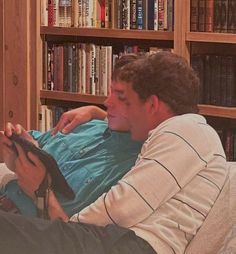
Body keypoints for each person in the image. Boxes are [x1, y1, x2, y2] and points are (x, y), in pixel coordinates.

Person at [0, 51, 228, 254]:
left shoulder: (185, 130)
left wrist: (57, 215)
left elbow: (123, 207)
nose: (118, 107)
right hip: (115, 240)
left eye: (126, 101)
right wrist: (98, 115)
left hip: (131, 245)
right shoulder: (182, 135)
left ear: (152, 105)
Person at [0, 54, 143, 218]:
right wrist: (15, 149)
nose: (107, 102)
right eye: (110, 91)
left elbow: (72, 236)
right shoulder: (88, 124)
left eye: (121, 96)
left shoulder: (131, 169)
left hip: (25, 228)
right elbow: (36, 143)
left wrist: (40, 191)